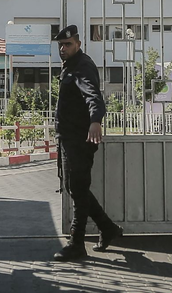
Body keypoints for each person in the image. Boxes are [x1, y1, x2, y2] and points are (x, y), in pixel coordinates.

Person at [53, 25, 123, 261]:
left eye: (68, 44)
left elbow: (94, 96)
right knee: (76, 189)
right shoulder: (70, 66)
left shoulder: (82, 66)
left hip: (79, 140)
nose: (63, 49)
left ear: (79, 44)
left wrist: (95, 121)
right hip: (68, 139)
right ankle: (107, 228)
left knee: (78, 189)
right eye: (61, 45)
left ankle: (76, 243)